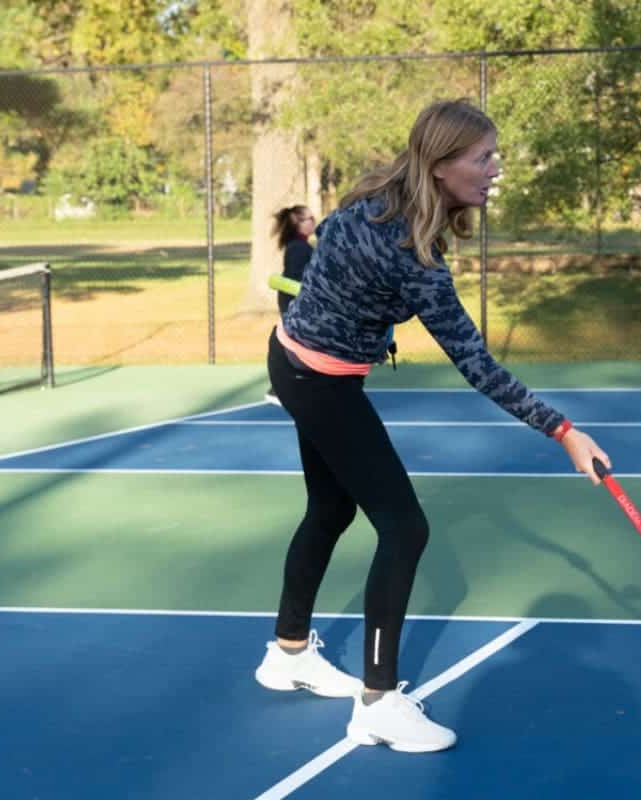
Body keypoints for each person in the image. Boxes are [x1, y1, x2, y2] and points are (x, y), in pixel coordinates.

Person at [254, 99, 611, 754]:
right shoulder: (414, 260)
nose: (495, 168)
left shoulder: (371, 201)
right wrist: (564, 431)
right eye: (484, 158)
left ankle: (289, 653)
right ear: (442, 166)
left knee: (331, 510)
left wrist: (337, 307)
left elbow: (329, 238)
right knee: (405, 526)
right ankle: (378, 703)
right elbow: (479, 366)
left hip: (293, 358)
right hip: (319, 381)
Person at [264, 205, 316, 404]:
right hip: (295, 302)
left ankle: (288, 388)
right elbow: (294, 280)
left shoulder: (301, 246)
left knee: (301, 346)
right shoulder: (298, 248)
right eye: (308, 219)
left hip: (300, 302)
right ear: (297, 223)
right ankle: (276, 390)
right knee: (296, 346)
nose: (313, 221)